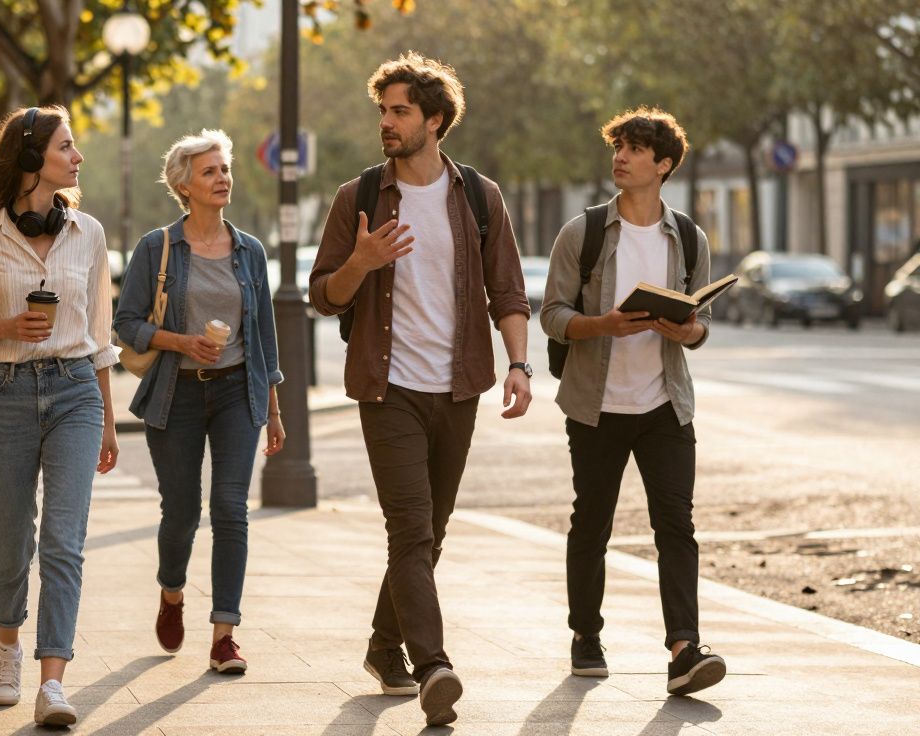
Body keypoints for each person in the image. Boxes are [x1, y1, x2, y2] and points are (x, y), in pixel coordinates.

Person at [309, 52, 532, 727]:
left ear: (434, 120)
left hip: (457, 387)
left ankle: (384, 647)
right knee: (409, 527)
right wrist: (360, 261)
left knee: (430, 533)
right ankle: (434, 666)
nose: (387, 121)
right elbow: (324, 295)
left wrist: (519, 365)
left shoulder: (479, 197)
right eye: (383, 110)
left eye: (400, 111)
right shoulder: (358, 197)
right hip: (389, 388)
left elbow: (508, 291)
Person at [0, 105, 120, 728]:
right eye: (67, 146)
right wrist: (7, 328)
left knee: (65, 541)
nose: (78, 157)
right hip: (4, 394)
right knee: (11, 537)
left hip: (75, 392)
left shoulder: (89, 234)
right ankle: (7, 647)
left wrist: (108, 420)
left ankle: (53, 682)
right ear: (33, 157)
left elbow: (99, 337)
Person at [540, 107, 726, 696]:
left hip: (665, 405)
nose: (620, 157)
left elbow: (703, 321)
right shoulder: (584, 232)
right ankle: (586, 636)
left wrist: (689, 331)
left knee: (676, 526)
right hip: (596, 405)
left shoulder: (688, 237)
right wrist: (604, 325)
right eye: (618, 146)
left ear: (663, 164)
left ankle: (684, 650)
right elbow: (552, 315)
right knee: (591, 523)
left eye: (635, 149)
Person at [113, 130, 285, 675]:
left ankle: (224, 637)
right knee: (182, 511)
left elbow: (264, 337)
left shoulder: (250, 251)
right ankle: (171, 593)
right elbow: (125, 323)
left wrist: (273, 410)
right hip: (176, 392)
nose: (222, 178)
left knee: (231, 508)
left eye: (225, 169)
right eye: (210, 171)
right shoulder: (157, 247)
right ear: (184, 186)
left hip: (237, 390)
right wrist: (181, 342)